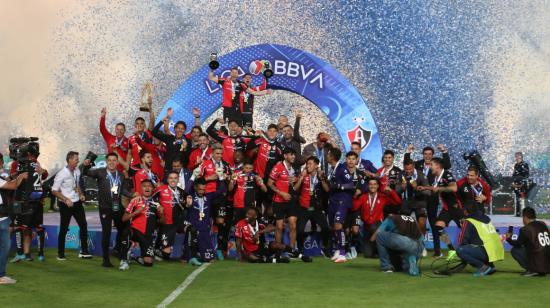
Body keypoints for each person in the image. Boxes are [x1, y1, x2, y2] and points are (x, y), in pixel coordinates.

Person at [82, 153, 128, 267]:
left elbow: (123, 191)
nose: (112, 162)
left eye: (114, 160)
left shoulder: (121, 175)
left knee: (123, 229)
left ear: (117, 162)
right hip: (105, 208)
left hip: (117, 207)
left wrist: (133, 194)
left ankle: (118, 250)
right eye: (109, 160)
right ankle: (106, 260)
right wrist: (87, 165)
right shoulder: (100, 172)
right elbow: (86, 172)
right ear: (106, 162)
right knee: (106, 233)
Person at [51, 151, 92, 260]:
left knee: (83, 225)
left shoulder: (77, 171)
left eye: (78, 159)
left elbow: (77, 184)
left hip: (77, 203)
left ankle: (84, 251)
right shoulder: (61, 173)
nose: (78, 161)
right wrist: (65, 199)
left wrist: (81, 194)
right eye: (76, 159)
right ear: (69, 160)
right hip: (65, 204)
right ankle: (60, 254)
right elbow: (54, 190)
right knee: (64, 228)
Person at [418, 158, 461, 258]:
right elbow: (435, 188)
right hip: (447, 209)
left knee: (466, 230)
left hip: (457, 208)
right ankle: (452, 250)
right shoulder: (437, 177)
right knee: (438, 228)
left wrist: (440, 189)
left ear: (438, 166)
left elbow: (454, 188)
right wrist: (425, 188)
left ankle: (476, 251)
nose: (429, 166)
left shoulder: (447, 174)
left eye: (431, 164)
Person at [326, 151, 364, 263]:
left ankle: (342, 253)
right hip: (333, 200)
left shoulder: (342, 168)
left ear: (332, 157)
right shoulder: (333, 168)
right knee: (333, 226)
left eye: (328, 154)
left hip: (343, 200)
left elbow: (351, 184)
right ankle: (338, 249)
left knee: (338, 225)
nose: (327, 156)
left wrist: (339, 186)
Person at [10, 150, 48, 263]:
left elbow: (44, 175)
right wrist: (19, 175)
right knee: (17, 227)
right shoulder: (15, 163)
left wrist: (42, 171)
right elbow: (12, 177)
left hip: (28, 201)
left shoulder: (34, 162)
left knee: (25, 228)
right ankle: (20, 253)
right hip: (17, 200)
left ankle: (25, 254)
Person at [119, 179, 165, 270]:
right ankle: (124, 260)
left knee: (148, 263)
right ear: (141, 188)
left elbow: (162, 222)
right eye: (144, 186)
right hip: (135, 231)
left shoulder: (156, 204)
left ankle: (133, 257)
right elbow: (124, 218)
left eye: (149, 186)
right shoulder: (135, 201)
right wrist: (136, 212)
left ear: (152, 188)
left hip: (147, 236)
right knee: (126, 232)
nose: (147, 188)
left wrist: (162, 213)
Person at [182, 177, 225, 265]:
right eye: (200, 189)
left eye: (203, 189)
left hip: (204, 227)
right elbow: (185, 192)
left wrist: (220, 178)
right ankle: (189, 256)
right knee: (185, 259)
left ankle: (201, 256)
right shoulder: (190, 197)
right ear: (195, 188)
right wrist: (193, 177)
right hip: (193, 227)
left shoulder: (208, 197)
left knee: (210, 260)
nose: (202, 191)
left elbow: (221, 190)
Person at [293, 156, 329, 261]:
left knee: (325, 228)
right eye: (307, 164)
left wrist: (321, 178)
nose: (307, 166)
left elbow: (327, 190)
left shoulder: (321, 176)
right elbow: (295, 189)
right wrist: (301, 177)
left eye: (310, 164)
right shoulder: (303, 175)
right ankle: (299, 250)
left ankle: (325, 248)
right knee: (299, 230)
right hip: (304, 207)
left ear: (316, 165)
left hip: (317, 208)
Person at [197, 144, 229, 260]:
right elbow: (197, 179)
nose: (219, 156)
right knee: (207, 223)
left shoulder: (225, 165)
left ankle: (219, 249)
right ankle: (206, 248)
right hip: (207, 196)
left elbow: (229, 179)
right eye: (217, 153)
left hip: (220, 197)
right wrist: (209, 178)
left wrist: (229, 178)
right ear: (212, 153)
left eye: (221, 153)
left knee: (220, 222)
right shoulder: (205, 164)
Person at [455, 202, 504, 277]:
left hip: (487, 251)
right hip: (497, 250)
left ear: (465, 211)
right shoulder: (486, 218)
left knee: (460, 250)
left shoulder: (468, 221)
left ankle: (483, 267)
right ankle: (490, 266)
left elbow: (462, 241)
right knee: (478, 246)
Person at [0, 154, 28, 285]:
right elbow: (12, 186)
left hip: (3, 217)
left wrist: (13, 176)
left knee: (4, 247)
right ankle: (1, 275)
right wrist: (20, 177)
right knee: (4, 247)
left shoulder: (1, 177)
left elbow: (6, 181)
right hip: (2, 218)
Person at [268, 147, 300, 258]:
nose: (293, 157)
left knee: (293, 225)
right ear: (285, 156)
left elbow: (293, 181)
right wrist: (281, 193)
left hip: (291, 200)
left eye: (294, 155)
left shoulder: (294, 167)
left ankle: (291, 250)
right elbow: (270, 183)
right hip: (279, 200)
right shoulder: (278, 167)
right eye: (291, 155)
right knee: (279, 226)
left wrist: (295, 179)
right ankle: (278, 251)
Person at [359, 178, 402, 258]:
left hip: (378, 226)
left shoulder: (382, 197)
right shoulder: (363, 197)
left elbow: (398, 202)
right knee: (368, 255)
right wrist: (355, 196)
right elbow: (354, 207)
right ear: (368, 186)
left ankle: (384, 249)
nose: (372, 186)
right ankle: (378, 251)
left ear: (378, 186)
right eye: (370, 184)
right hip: (367, 229)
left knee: (374, 227)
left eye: (374, 184)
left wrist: (391, 191)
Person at [153, 171, 187, 261]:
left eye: (175, 178)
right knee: (166, 254)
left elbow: (184, 206)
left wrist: (186, 204)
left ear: (178, 179)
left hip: (177, 222)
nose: (173, 180)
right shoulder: (160, 189)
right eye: (171, 178)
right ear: (167, 180)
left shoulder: (181, 192)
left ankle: (188, 255)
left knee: (192, 230)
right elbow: (151, 199)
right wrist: (158, 205)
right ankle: (156, 249)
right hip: (166, 222)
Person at [506, 207, 550, 277]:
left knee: (515, 250)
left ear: (525, 217)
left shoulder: (525, 229)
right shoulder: (543, 224)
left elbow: (517, 244)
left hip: (538, 263)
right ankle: (538, 269)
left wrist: (508, 239)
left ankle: (532, 270)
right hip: (548, 265)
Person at [398, 159, 430, 236]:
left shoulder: (421, 175)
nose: (408, 171)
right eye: (406, 169)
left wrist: (416, 188)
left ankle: (421, 245)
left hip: (420, 202)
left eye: (410, 169)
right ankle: (405, 245)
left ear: (414, 166)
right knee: (403, 225)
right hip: (407, 202)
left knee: (422, 224)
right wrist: (401, 188)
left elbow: (428, 192)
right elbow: (396, 191)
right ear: (403, 167)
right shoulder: (401, 175)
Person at [512, 152, 530, 216]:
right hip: (516, 184)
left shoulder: (524, 164)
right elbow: (514, 174)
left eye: (517, 156)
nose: (516, 158)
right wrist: (513, 183)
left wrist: (521, 184)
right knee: (517, 198)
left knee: (522, 199)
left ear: (520, 157)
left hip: (521, 185)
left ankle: (523, 213)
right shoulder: (516, 165)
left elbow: (526, 176)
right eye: (515, 156)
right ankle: (518, 213)